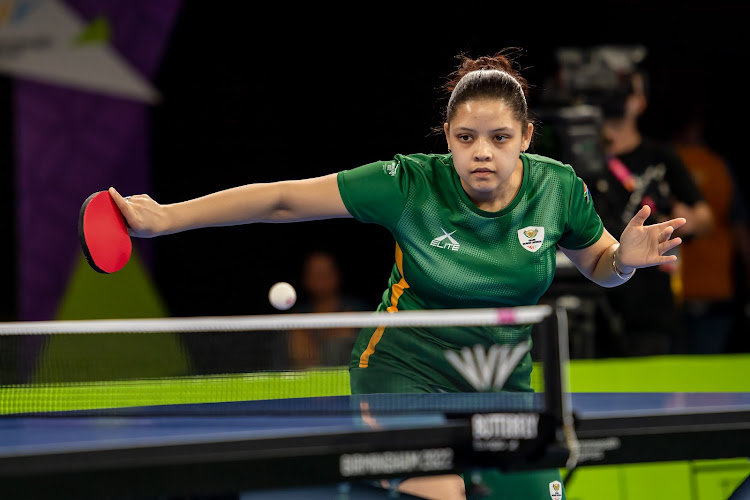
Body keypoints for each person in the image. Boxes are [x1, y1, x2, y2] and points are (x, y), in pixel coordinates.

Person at [109, 50, 687, 500]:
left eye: (499, 138)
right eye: (466, 138)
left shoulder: (557, 188)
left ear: (527, 138)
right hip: (403, 372)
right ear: (447, 137)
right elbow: (283, 198)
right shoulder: (409, 183)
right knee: (446, 490)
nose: (481, 152)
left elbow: (603, 269)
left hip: (500, 383)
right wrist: (165, 218)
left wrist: (625, 263)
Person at [589, 68, 713, 356]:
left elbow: (704, 218)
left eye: (624, 90)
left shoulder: (662, 156)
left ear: (640, 101)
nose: (615, 98)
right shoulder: (579, 160)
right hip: (593, 302)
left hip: (649, 306)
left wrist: (681, 221)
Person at [671, 111, 750, 354]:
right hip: (716, 289)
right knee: (708, 380)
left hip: (671, 292)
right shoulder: (720, 167)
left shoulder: (664, 163)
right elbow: (740, 229)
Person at [287, 250, 369, 368]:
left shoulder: (358, 312)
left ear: (337, 275)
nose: (320, 278)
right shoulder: (295, 318)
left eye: (325, 273)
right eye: (315, 273)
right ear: (305, 279)